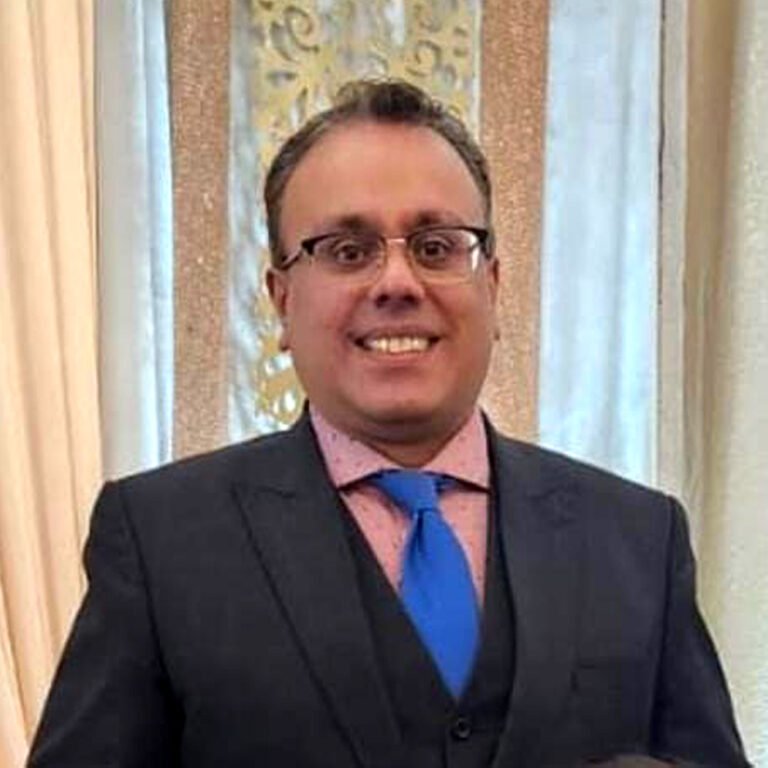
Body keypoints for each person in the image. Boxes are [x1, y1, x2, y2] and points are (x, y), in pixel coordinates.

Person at [28, 80, 750, 767]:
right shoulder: (159, 541)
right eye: (348, 251)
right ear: (281, 300)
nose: (397, 283)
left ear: (493, 287)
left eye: (436, 246)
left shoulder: (639, 539)